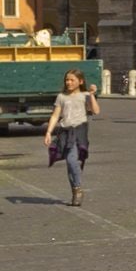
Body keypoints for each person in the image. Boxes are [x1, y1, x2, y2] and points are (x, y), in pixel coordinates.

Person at [44, 68, 99, 207]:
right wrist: (49, 132)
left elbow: (96, 111)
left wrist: (92, 95)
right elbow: (56, 115)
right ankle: (76, 191)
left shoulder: (85, 95)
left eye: (72, 80)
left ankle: (77, 189)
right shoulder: (61, 97)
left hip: (79, 132)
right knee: (71, 163)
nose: (68, 82)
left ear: (80, 81)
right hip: (64, 132)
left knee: (71, 160)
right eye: (67, 80)